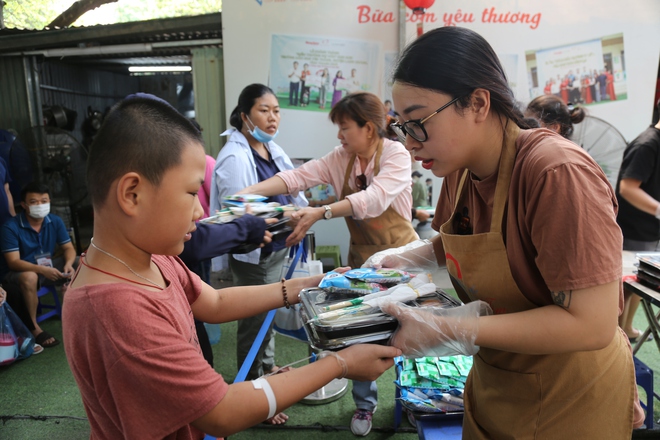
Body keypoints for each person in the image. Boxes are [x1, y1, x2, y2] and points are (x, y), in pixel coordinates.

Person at [62, 96, 400, 440]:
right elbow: (221, 411)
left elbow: (216, 304)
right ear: (132, 193)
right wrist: (340, 364)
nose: (198, 212)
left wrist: (313, 284)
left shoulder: (149, 258)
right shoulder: (118, 309)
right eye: (192, 192)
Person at [374, 26, 644, 438]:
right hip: (498, 379)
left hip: (570, 396)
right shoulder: (459, 169)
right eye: (401, 126)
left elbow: (593, 323)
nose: (409, 143)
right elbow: (457, 241)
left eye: (418, 122)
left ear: (478, 103)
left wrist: (450, 327)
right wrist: (405, 259)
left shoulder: (555, 173)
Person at [238, 91, 418, 436]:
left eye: (344, 128)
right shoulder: (341, 158)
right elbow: (297, 177)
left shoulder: (396, 154)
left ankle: (412, 400)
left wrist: (321, 212)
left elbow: (376, 200)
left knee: (408, 334)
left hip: (403, 258)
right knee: (361, 335)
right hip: (363, 261)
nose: (339, 136)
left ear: (368, 128)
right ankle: (365, 406)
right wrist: (250, 192)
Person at [209, 84, 307, 423]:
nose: (272, 117)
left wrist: (299, 215)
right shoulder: (234, 157)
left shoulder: (271, 150)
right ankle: (251, 390)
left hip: (276, 249)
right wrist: (286, 214)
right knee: (254, 322)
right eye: (264, 110)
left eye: (276, 110)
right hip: (255, 254)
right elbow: (237, 211)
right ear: (243, 116)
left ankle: (266, 368)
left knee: (268, 317)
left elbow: (292, 190)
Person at [0, 182, 77, 349]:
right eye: (34, 202)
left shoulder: (54, 221)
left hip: (48, 267)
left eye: (44, 201)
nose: (40, 205)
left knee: (80, 261)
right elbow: (13, 262)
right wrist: (42, 270)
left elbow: (68, 248)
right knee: (30, 277)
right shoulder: (10, 227)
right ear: (24, 205)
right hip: (18, 273)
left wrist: (69, 265)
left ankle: (79, 313)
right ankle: (33, 328)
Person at [615, 100, 660, 342]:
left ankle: (628, 328)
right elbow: (627, 187)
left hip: (651, 229)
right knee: (624, 287)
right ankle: (617, 335)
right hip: (633, 229)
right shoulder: (647, 144)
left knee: (643, 284)